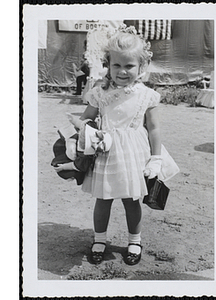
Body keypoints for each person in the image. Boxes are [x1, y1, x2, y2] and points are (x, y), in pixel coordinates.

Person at [55, 25, 167, 265]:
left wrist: (156, 159)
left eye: (129, 66)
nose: (123, 71)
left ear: (141, 67)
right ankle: (99, 239)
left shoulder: (147, 95)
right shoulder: (100, 92)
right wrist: (77, 135)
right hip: (105, 151)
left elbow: (154, 128)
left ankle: (134, 241)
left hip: (134, 153)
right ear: (108, 64)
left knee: (131, 199)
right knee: (103, 199)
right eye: (117, 65)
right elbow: (86, 119)